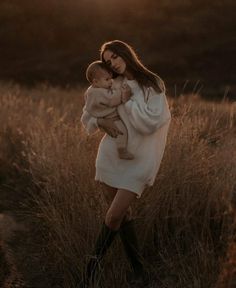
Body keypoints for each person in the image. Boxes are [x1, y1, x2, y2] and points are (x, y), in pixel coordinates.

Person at [79, 40, 171, 287]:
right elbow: (87, 115)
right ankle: (139, 271)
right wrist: (99, 123)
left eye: (115, 58)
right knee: (121, 216)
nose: (113, 65)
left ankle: (89, 269)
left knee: (113, 216)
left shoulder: (152, 83)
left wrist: (126, 102)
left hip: (139, 161)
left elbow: (152, 121)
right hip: (111, 157)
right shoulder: (113, 84)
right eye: (108, 62)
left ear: (125, 54)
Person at [84, 60, 134, 160]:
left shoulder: (92, 90)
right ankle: (122, 150)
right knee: (122, 131)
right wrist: (123, 93)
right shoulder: (98, 93)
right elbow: (111, 99)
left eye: (111, 78)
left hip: (106, 117)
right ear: (95, 82)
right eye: (107, 79)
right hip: (110, 118)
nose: (111, 81)